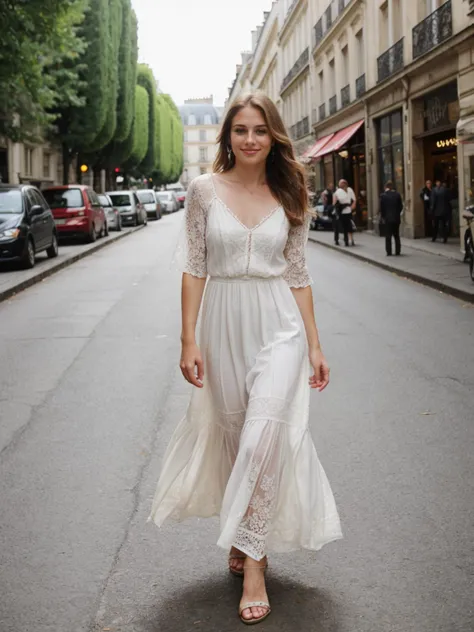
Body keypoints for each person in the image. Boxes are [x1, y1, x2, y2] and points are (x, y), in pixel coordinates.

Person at [148, 92, 342, 625]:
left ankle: (254, 565)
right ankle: (244, 531)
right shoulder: (203, 192)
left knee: (264, 435)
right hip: (224, 322)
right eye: (240, 130)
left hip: (279, 323)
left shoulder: (291, 189)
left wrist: (315, 343)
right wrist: (188, 339)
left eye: (259, 129)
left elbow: (298, 273)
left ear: (273, 134)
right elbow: (194, 266)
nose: (250, 139)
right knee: (236, 436)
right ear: (227, 136)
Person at [380, 181, 403, 256]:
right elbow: (401, 206)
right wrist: (397, 213)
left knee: (388, 236)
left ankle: (389, 251)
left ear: (386, 187)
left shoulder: (383, 196)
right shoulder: (397, 195)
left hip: (388, 219)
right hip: (396, 218)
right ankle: (398, 251)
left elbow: (382, 208)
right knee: (396, 235)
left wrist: (383, 216)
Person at [333, 179, 356, 246]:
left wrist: (352, 206)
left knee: (348, 226)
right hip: (342, 211)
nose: (343, 185)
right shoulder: (338, 191)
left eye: (343, 184)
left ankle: (349, 240)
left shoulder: (349, 190)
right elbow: (334, 203)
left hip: (347, 211)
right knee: (345, 226)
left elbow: (354, 199)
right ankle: (346, 240)